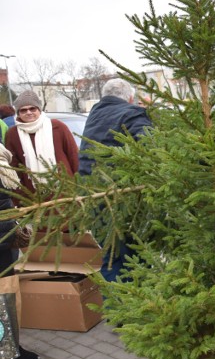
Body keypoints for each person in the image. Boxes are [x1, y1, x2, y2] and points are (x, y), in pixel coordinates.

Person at [79, 78, 152, 282]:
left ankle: (114, 310)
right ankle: (135, 308)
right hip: (124, 200)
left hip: (94, 197)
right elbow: (151, 145)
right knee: (135, 258)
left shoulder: (94, 114)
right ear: (130, 98)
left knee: (112, 258)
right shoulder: (132, 113)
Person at [0, 143, 40, 359]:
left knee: (9, 299)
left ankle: (12, 346)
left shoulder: (2, 158)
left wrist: (15, 226)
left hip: (5, 241)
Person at [5, 90, 78, 195]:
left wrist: (80, 186)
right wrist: (18, 197)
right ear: (18, 113)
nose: (28, 112)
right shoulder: (12, 134)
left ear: (39, 109)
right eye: (23, 110)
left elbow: (73, 155)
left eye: (32, 108)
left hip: (65, 190)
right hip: (33, 196)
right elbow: (14, 167)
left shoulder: (58, 127)